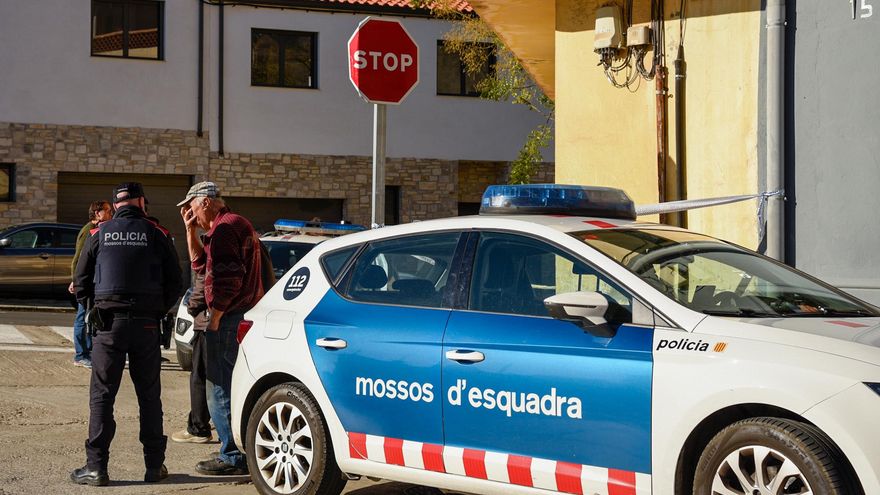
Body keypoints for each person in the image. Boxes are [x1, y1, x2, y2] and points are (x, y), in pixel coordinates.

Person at [70, 182, 183, 486]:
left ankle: (96, 468)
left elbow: (80, 281)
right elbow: (176, 280)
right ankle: (154, 467)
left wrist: (93, 307)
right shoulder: (157, 234)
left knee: (102, 397)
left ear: (116, 204)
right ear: (142, 202)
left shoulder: (99, 234)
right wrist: (156, 311)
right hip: (146, 326)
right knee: (149, 397)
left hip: (108, 326)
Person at [177, 181, 263, 476]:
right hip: (235, 315)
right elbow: (201, 266)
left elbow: (229, 279)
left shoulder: (226, 228)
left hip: (227, 318)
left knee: (219, 387)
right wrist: (190, 231)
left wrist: (214, 318)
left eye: (191, 208)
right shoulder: (228, 226)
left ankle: (233, 457)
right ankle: (236, 449)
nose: (189, 213)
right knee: (227, 384)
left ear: (205, 202)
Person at [170, 270, 213, 444]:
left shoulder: (217, 248)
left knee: (202, 377)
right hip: (239, 319)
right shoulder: (257, 250)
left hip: (210, 322)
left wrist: (193, 307)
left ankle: (199, 427)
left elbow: (204, 284)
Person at [68, 200, 112, 369]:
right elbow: (78, 258)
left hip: (96, 282)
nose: (110, 213)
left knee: (90, 316)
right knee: (82, 317)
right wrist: (75, 280)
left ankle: (92, 352)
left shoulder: (103, 230)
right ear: (96, 213)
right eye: (106, 211)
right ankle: (81, 355)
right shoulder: (88, 231)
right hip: (86, 282)